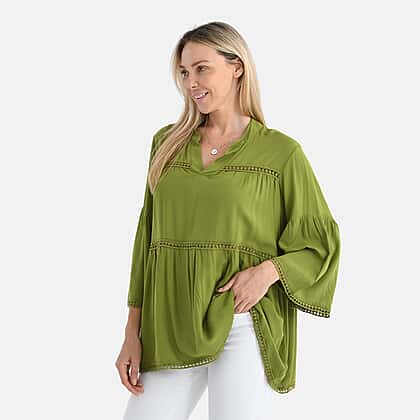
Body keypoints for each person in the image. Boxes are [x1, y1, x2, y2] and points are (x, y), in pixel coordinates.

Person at [115, 21, 341, 420]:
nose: (191, 83)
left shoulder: (281, 153)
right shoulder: (166, 144)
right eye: (184, 72)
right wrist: (132, 332)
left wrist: (269, 272)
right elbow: (146, 241)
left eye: (202, 69)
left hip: (243, 320)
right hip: (170, 322)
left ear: (236, 67)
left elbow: (320, 244)